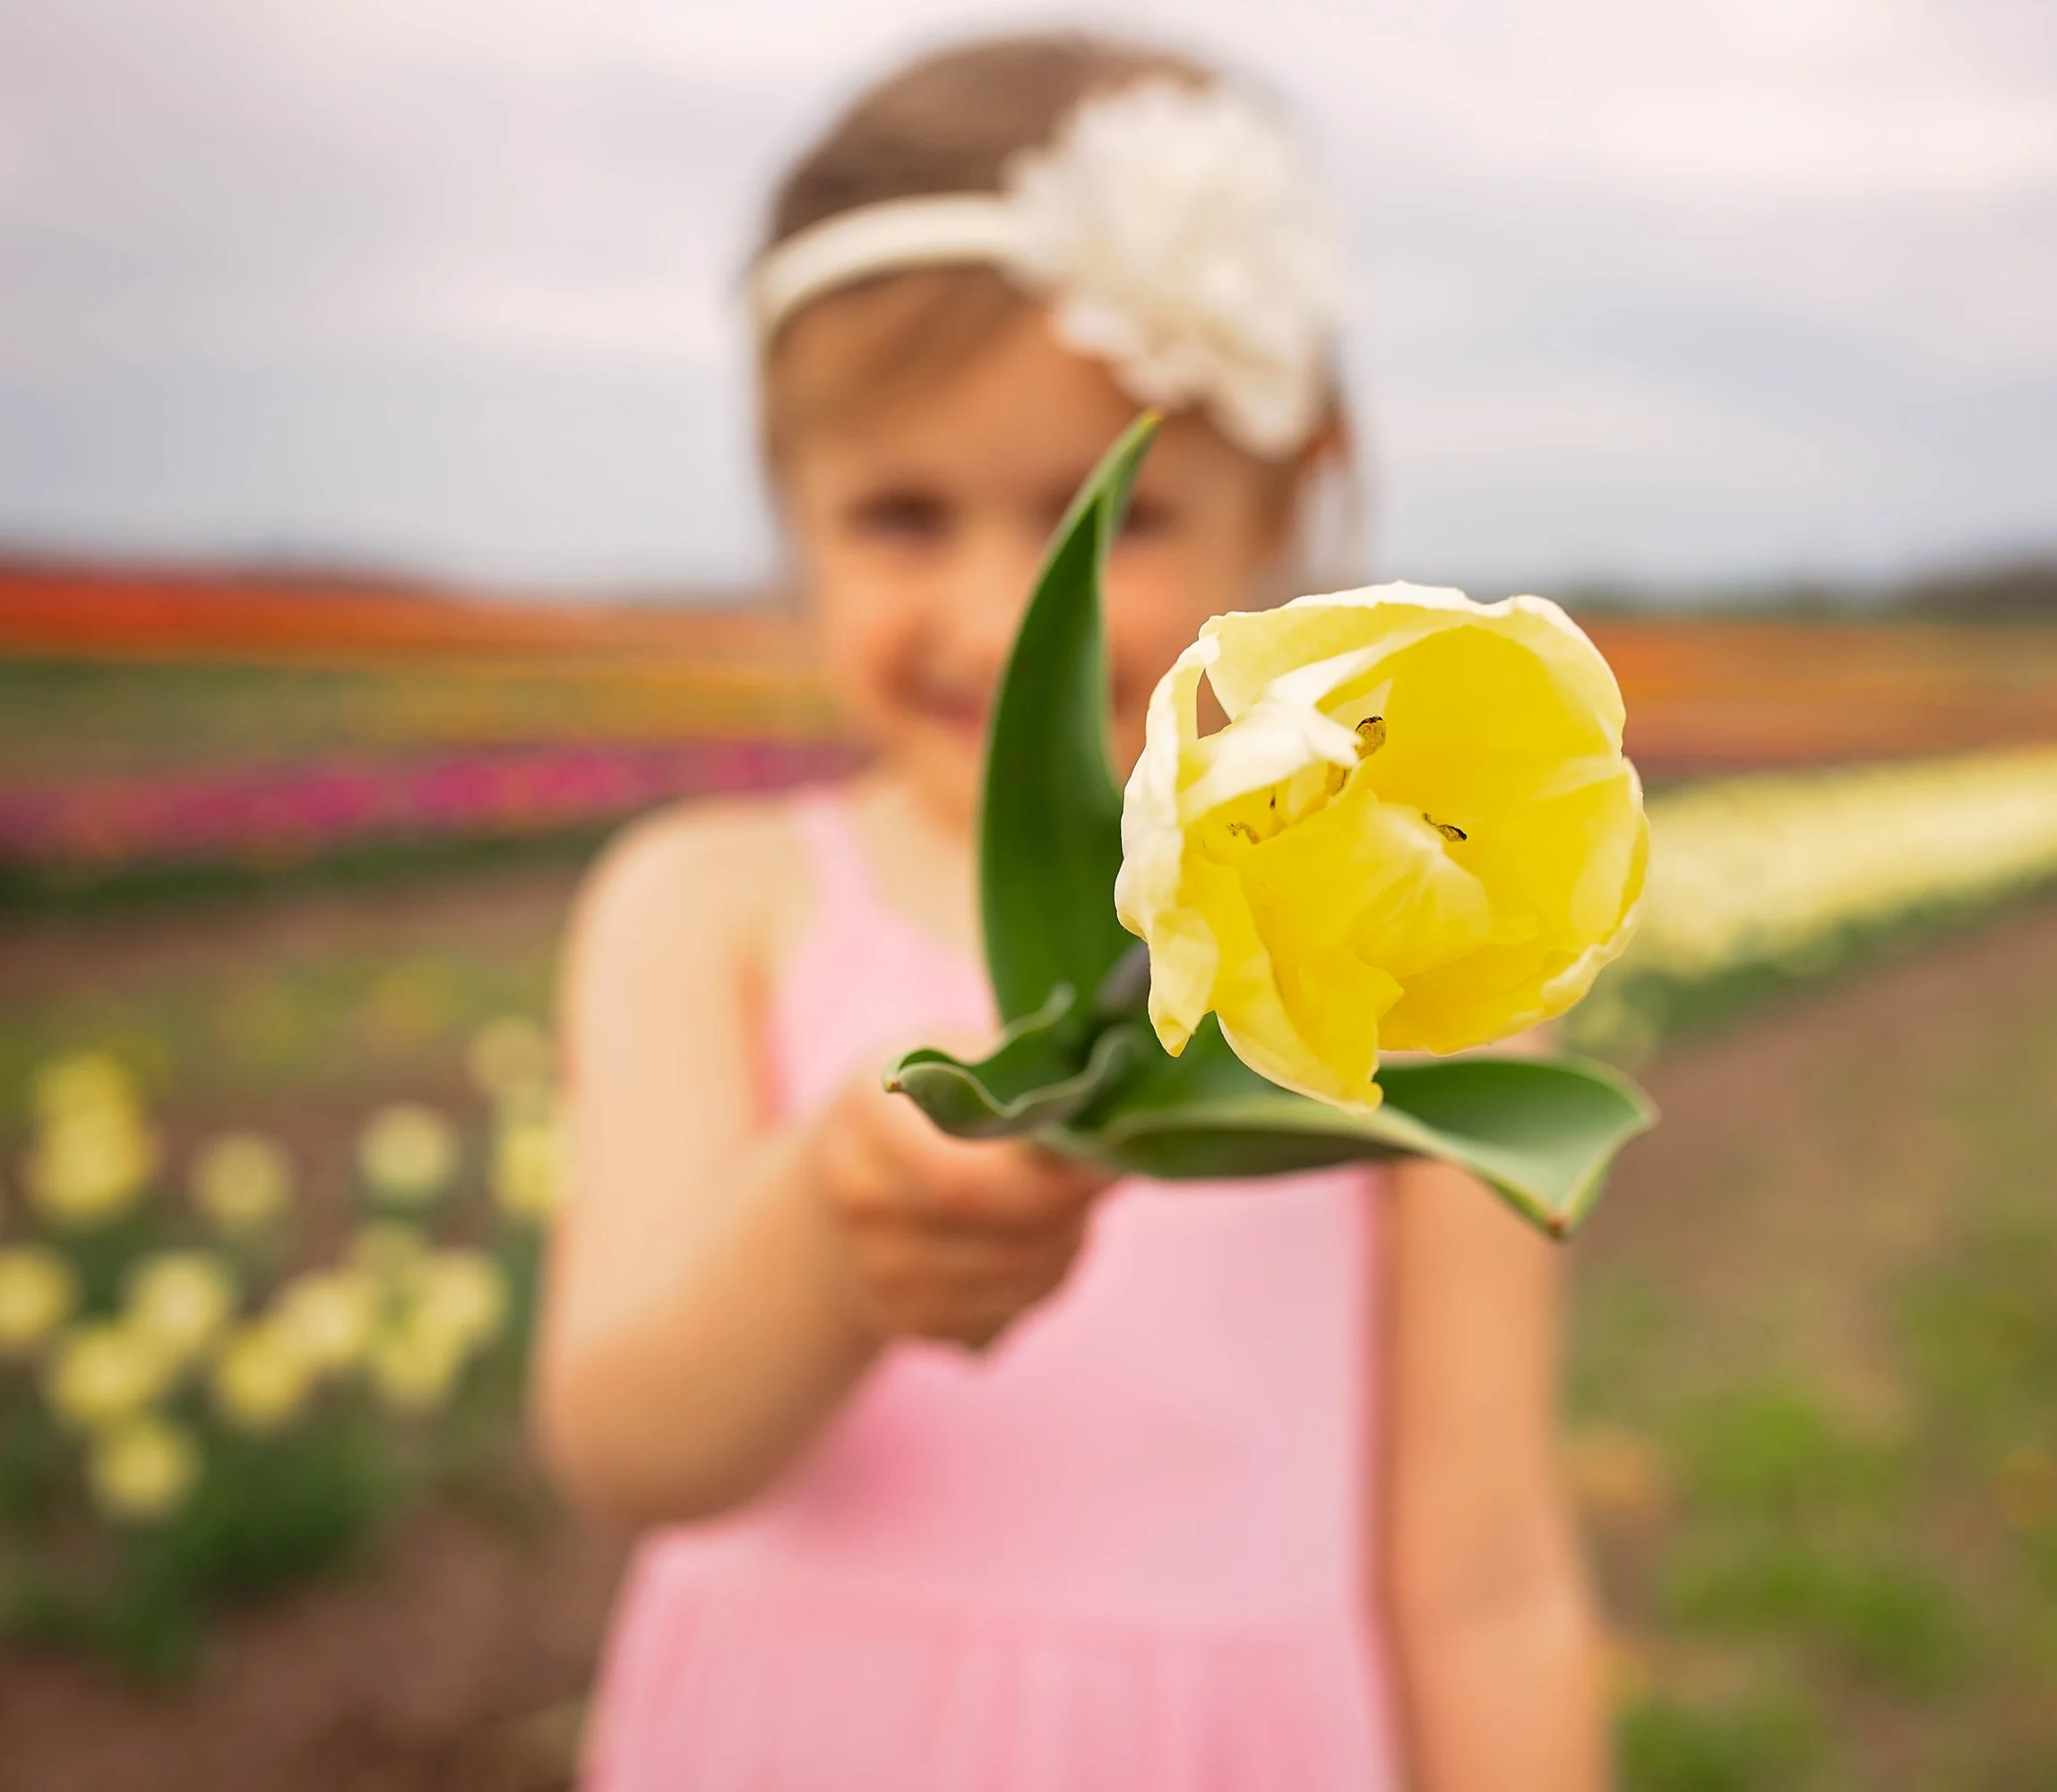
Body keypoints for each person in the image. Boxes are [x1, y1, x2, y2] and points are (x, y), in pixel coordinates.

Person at [535, 31, 1606, 1791]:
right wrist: (820, 1242)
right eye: (898, 516)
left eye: (1111, 510)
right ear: (786, 513)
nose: (996, 616)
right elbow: (624, 1449)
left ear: (1287, 493)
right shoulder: (699, 909)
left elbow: (1481, 1580)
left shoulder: (1414, 973)